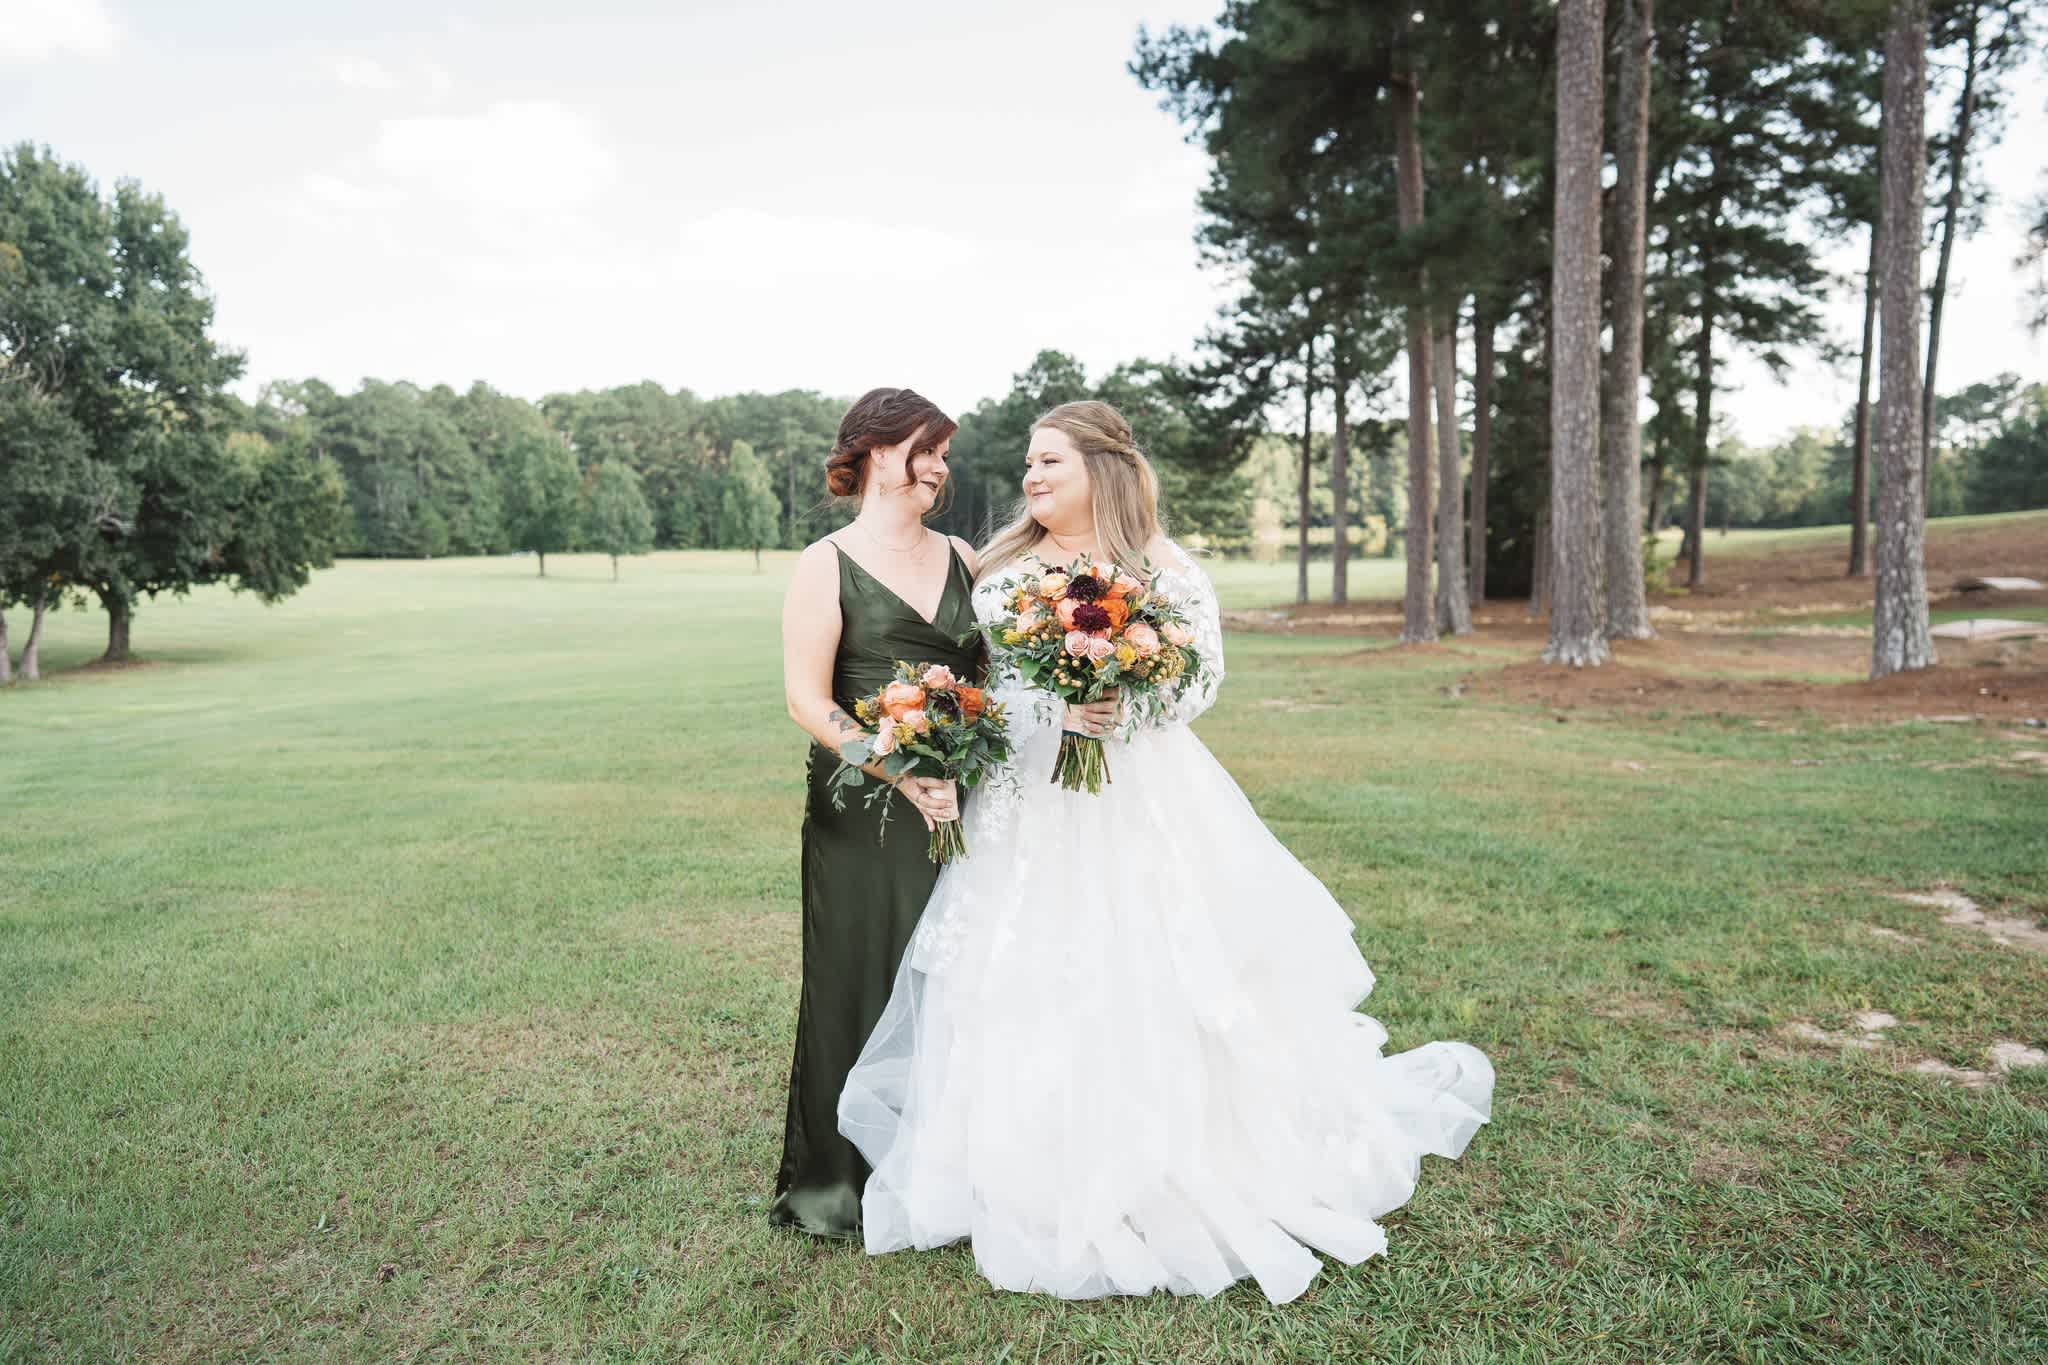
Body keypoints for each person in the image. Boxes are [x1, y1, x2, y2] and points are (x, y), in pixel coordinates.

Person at [836, 400, 1494, 1303]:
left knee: (1146, 960)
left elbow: (1200, 681)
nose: (1031, 476)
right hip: (1021, 802)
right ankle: (1023, 1165)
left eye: (1050, 461)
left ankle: (1160, 1160)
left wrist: (1122, 703)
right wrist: (993, 719)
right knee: (1018, 969)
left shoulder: (1163, 567)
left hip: (1134, 795)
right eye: (1029, 462)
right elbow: (990, 676)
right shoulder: (1000, 566)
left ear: (1102, 469)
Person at [771, 386, 983, 1239]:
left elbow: (996, 678)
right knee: (863, 971)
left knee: (957, 974)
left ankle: (950, 1172)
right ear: (874, 450)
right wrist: (900, 771)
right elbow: (805, 698)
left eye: (944, 454)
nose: (939, 468)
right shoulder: (824, 562)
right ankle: (845, 1180)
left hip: (961, 797)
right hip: (863, 804)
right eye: (926, 449)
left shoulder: (965, 555)